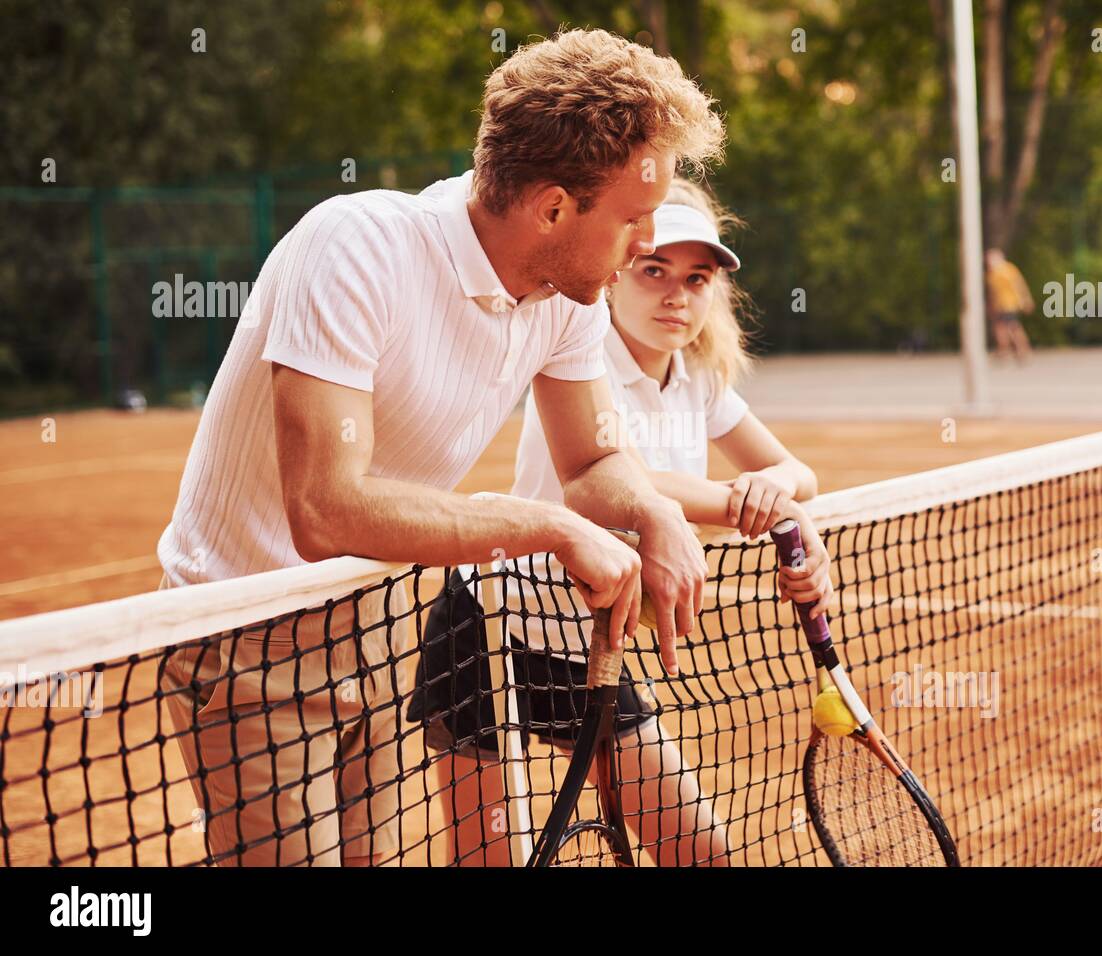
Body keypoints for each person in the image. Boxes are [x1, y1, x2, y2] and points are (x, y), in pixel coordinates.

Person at [155, 28, 723, 866]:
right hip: (250, 641)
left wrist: (653, 511)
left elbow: (594, 462)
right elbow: (326, 509)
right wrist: (548, 528)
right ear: (553, 208)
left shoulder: (567, 297)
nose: (648, 243)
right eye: (635, 219)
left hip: (385, 625)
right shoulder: (355, 247)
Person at [415, 178, 833, 866]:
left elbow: (797, 473)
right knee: (487, 858)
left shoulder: (701, 378)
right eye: (654, 271)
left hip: (591, 650)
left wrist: (777, 492)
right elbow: (621, 480)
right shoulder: (579, 362)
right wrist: (751, 504)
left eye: (697, 279)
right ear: (615, 276)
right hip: (490, 629)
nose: (677, 295)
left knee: (701, 854)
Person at [984, 248, 1034, 362]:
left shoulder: (1008, 269)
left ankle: (1023, 351)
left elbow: (1019, 285)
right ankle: (1004, 351)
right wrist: (991, 306)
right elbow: (992, 292)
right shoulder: (991, 274)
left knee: (1013, 327)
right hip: (1000, 305)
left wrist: (1025, 299)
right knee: (1000, 328)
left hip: (1010, 303)